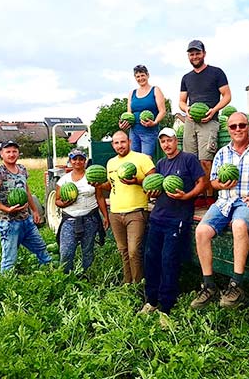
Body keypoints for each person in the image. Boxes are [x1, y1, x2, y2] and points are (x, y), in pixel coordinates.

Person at [190, 113, 249, 309]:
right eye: (233, 126)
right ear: (228, 130)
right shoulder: (222, 153)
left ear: (248, 126)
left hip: (247, 201)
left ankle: (237, 284)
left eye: (242, 125)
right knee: (201, 231)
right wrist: (221, 184)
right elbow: (213, 182)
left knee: (239, 225)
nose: (238, 129)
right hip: (224, 201)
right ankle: (208, 285)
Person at [139, 127, 206, 319]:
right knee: (151, 261)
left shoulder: (188, 159)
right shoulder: (160, 164)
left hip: (176, 221)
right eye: (162, 142)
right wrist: (151, 192)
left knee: (169, 262)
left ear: (176, 141)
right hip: (157, 218)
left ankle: (166, 307)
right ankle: (151, 301)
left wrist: (187, 196)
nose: (166, 145)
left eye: (169, 140)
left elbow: (202, 182)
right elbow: (156, 188)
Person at [0, 140, 52, 273]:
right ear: (1, 154)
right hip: (8, 222)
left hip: (26, 220)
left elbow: (26, 191)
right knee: (10, 258)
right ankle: (6, 285)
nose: (11, 154)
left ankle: (49, 273)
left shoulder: (22, 169)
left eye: (14, 151)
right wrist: (7, 209)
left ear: (18, 153)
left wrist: (35, 210)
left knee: (41, 247)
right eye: (8, 151)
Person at [179, 39, 232, 206]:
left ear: (204, 54)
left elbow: (227, 96)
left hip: (209, 121)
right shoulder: (186, 77)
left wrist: (213, 110)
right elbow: (181, 101)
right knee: (190, 159)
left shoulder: (216, 73)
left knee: (205, 160)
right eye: (191, 54)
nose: (195, 56)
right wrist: (186, 110)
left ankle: (209, 195)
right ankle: (197, 193)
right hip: (190, 121)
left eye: (197, 53)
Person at [100, 131, 155, 283]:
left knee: (133, 251)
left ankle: (138, 284)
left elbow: (154, 180)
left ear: (129, 142)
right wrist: (98, 184)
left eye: (123, 142)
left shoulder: (141, 158)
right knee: (123, 251)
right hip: (115, 212)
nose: (120, 145)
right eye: (116, 143)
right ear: (113, 145)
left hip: (136, 212)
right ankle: (127, 282)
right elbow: (111, 185)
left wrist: (137, 181)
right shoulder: (110, 163)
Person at [55, 148, 109, 274]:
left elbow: (99, 197)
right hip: (69, 219)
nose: (78, 162)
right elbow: (57, 201)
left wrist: (105, 216)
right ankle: (66, 277)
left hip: (90, 218)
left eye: (81, 159)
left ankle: (86, 276)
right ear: (70, 161)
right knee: (66, 252)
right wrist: (64, 203)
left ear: (85, 161)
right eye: (75, 159)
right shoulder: (63, 180)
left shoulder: (91, 177)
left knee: (88, 251)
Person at [119, 64, 166, 158]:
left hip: (149, 131)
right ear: (135, 78)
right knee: (134, 159)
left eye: (142, 75)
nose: (140, 78)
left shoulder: (155, 90)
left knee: (146, 160)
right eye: (138, 76)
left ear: (147, 75)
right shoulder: (132, 93)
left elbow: (162, 111)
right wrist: (123, 124)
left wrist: (155, 122)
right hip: (134, 131)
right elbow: (129, 113)